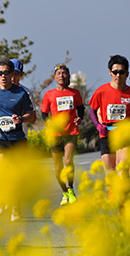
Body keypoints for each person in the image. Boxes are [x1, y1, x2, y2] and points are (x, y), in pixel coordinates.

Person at [0, 58, 36, 221]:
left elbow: (32, 116)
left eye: (6, 72)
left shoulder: (21, 93)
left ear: (13, 74)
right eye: (0, 73)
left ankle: (15, 208)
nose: (3, 76)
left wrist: (21, 118)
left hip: (18, 138)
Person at [88, 55, 130, 176]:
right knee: (110, 175)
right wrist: (98, 126)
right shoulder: (101, 91)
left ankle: (124, 194)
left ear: (127, 73)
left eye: (121, 72)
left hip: (124, 134)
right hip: (106, 133)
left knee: (123, 170)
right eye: (115, 72)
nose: (118, 75)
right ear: (110, 72)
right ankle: (112, 194)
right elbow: (92, 111)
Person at [40, 64, 85, 206]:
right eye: (59, 73)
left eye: (64, 73)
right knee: (58, 166)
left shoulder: (74, 93)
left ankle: (71, 189)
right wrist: (48, 122)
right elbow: (43, 113)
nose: (62, 76)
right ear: (54, 77)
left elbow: (81, 108)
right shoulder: (49, 94)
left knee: (67, 161)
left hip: (70, 131)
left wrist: (80, 118)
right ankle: (64, 192)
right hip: (55, 134)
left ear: (68, 76)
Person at [10, 58, 36, 138]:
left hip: (20, 137)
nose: (13, 77)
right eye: (11, 73)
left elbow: (33, 120)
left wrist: (23, 116)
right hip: (1, 138)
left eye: (16, 74)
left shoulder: (26, 93)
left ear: (22, 74)